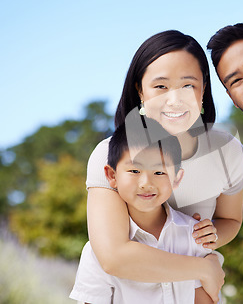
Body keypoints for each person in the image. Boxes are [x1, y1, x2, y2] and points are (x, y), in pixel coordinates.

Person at [86, 30, 243, 303]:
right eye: (160, 87)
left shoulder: (227, 150)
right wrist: (203, 268)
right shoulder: (108, 155)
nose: (175, 100)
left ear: (203, 88)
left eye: (188, 85)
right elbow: (114, 257)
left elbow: (231, 220)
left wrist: (211, 234)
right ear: (140, 90)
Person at [71, 119, 216, 303]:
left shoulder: (194, 235)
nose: (146, 183)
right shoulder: (97, 251)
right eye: (134, 170)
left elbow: (205, 298)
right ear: (111, 176)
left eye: (159, 172)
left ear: (177, 179)